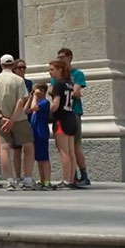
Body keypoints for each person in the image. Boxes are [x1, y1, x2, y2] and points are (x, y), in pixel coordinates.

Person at [0, 54, 35, 191]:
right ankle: (28, 179)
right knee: (28, 147)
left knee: (4, 148)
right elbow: (21, 100)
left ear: (1, 64)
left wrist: (1, 118)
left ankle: (9, 180)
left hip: (1, 120)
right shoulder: (18, 80)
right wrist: (13, 119)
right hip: (19, 119)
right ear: (13, 65)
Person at [55, 48, 90, 185]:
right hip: (62, 114)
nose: (60, 60)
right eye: (58, 57)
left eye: (62, 57)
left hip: (74, 111)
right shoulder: (58, 76)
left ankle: (84, 175)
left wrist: (70, 91)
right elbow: (53, 91)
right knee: (64, 147)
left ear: (69, 57)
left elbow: (76, 92)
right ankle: (71, 176)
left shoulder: (77, 74)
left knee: (75, 144)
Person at [48, 60, 78, 190]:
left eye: (52, 69)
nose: (50, 72)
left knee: (63, 151)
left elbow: (55, 106)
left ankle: (66, 180)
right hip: (71, 116)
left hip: (61, 119)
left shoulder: (58, 84)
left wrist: (44, 106)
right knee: (71, 152)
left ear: (60, 70)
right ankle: (70, 180)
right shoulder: (69, 84)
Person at [12, 58, 34, 180]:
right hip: (16, 117)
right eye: (19, 67)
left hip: (28, 117)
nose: (22, 70)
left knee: (28, 147)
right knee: (16, 149)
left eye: (24, 67)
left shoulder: (29, 83)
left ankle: (27, 176)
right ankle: (17, 176)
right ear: (14, 69)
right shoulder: (13, 83)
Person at [29, 83, 53, 190]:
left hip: (41, 132)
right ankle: (42, 179)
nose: (34, 93)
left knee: (44, 158)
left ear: (42, 91)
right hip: (34, 132)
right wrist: (31, 97)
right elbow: (27, 110)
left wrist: (34, 97)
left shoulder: (44, 102)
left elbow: (33, 108)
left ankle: (47, 180)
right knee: (39, 158)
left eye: (36, 91)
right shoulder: (36, 101)